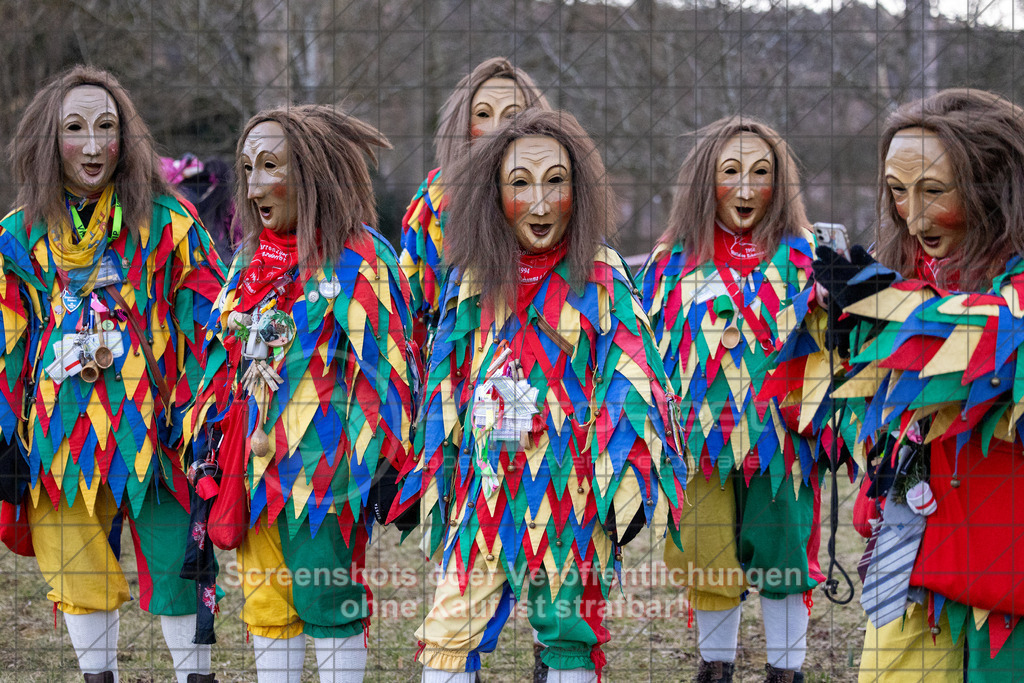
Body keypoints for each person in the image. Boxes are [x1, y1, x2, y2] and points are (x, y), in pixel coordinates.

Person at [394, 108, 688, 683]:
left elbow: (634, 380)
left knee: (567, 630)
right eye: (520, 183)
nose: (539, 201)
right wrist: (435, 473)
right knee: (449, 628)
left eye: (556, 182)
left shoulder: (601, 275)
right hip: (485, 490)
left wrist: (624, 478)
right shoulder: (471, 277)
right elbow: (446, 386)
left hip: (573, 494)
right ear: (493, 193)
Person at [0, 65, 224, 683]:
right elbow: (6, 340)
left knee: (177, 557)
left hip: (157, 435)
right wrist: (1, 430)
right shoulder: (16, 238)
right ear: (50, 139)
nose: (94, 145)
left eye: (107, 127)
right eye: (76, 129)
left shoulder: (170, 222)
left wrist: (198, 412)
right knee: (75, 563)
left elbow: (205, 320)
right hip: (57, 435)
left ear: (127, 139)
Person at [185, 104, 416, 683]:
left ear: (311, 171)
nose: (256, 184)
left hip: (322, 477)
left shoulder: (362, 259)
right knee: (266, 605)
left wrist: (365, 465)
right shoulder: (245, 262)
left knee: (327, 602)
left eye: (271, 165)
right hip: (249, 466)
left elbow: (387, 375)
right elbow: (223, 362)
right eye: (247, 169)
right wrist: (208, 435)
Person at [814, 89, 1024, 681]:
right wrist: (844, 319)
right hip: (910, 551)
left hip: (1003, 572)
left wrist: (883, 303)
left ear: (992, 188)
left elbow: (992, 338)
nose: (913, 214)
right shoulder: (911, 272)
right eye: (898, 191)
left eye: (933, 191)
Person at [641, 116, 832, 683]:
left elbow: (837, 351)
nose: (746, 190)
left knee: (784, 559)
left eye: (760, 173)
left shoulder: (809, 257)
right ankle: (715, 668)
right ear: (706, 181)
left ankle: (785, 672)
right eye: (731, 173)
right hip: (699, 446)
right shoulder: (669, 262)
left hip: (784, 445)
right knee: (707, 553)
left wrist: (832, 310)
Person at [399, 56, 550, 348]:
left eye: (511, 115)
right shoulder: (435, 197)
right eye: (483, 113)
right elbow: (410, 304)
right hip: (451, 368)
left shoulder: (554, 198)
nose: (496, 127)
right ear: (463, 122)